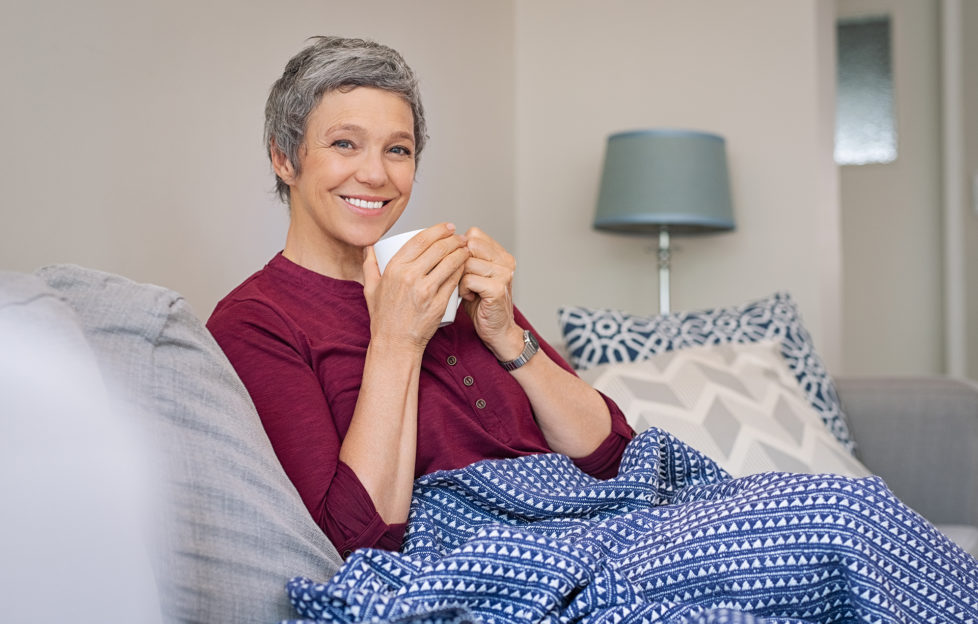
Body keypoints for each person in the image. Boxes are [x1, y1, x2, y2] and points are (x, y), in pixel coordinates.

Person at [206, 36, 634, 557]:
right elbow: (354, 541)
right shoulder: (254, 322)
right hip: (494, 560)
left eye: (398, 150)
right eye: (345, 143)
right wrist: (398, 340)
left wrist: (505, 334)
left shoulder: (441, 278)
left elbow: (612, 457)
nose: (376, 174)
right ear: (284, 158)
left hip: (598, 523)